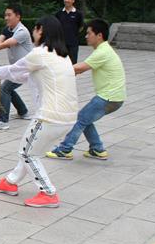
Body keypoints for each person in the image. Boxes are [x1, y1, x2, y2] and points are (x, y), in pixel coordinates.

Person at [0, 16, 78, 208]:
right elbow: (27, 75)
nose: (33, 33)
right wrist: (0, 75)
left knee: (27, 153)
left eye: (35, 29)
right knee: (30, 149)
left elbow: (15, 68)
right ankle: (10, 182)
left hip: (50, 116)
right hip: (67, 117)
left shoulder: (40, 54)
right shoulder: (62, 55)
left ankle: (48, 193)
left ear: (41, 30)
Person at [46, 19, 126, 161]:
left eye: (89, 33)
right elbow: (78, 70)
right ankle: (97, 149)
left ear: (99, 35)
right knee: (86, 118)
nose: (86, 36)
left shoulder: (103, 52)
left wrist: (54, 70)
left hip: (108, 97)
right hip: (114, 97)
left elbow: (80, 68)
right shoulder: (103, 50)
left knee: (81, 119)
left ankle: (64, 150)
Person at [55, 0, 84, 64]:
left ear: (73, 0)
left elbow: (81, 27)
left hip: (73, 43)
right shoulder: (59, 13)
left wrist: (73, 34)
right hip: (61, 43)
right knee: (60, 63)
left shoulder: (78, 14)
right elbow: (56, 26)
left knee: (72, 64)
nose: (66, 0)